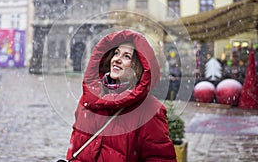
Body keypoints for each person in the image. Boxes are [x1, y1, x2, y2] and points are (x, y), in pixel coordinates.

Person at [65, 30, 177, 162]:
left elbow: (160, 158)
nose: (117, 59)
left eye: (127, 56)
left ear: (139, 66)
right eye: (116, 53)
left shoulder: (150, 111)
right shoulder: (89, 100)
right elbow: (76, 147)